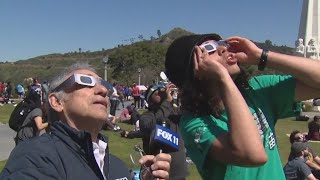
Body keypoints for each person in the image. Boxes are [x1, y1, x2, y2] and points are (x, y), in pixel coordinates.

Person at [164, 34, 320, 179]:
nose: (223, 48)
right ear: (195, 71)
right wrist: (223, 77)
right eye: (210, 49)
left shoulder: (257, 89)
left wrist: (262, 56)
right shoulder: (194, 123)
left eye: (221, 43)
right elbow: (253, 155)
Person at [0, 62, 171, 180]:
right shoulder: (35, 157)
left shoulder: (117, 166)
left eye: (104, 85)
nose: (103, 90)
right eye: (86, 81)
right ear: (57, 102)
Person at [140, 83, 189, 180]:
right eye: (156, 92)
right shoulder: (146, 116)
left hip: (178, 172)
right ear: (149, 100)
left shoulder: (173, 112)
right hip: (157, 171)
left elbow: (187, 112)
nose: (161, 93)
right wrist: (166, 102)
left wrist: (183, 93)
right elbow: (156, 124)